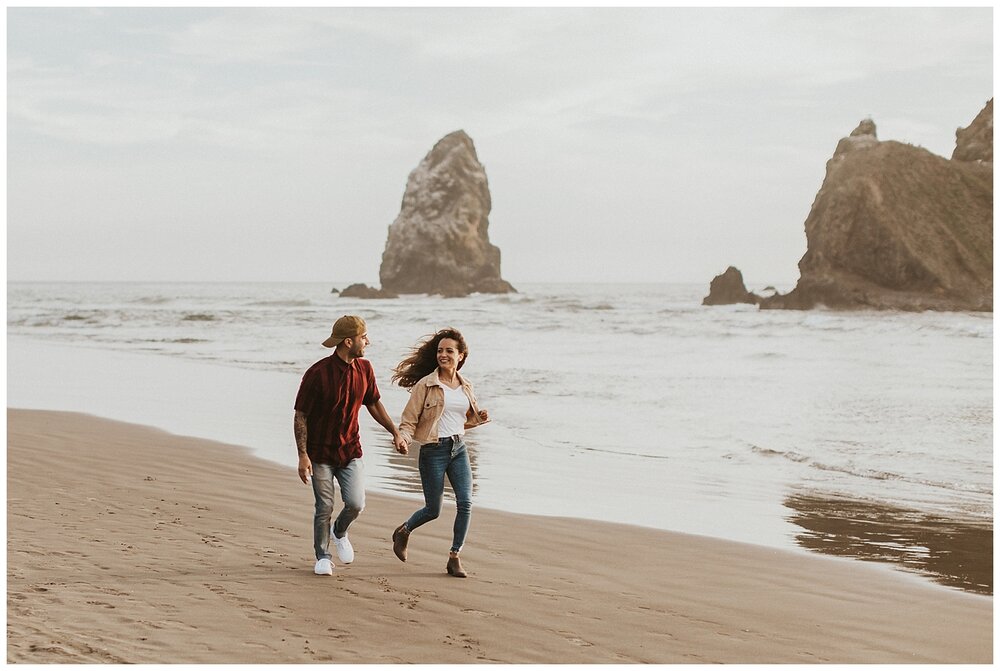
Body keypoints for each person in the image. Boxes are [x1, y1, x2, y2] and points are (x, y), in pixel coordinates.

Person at [294, 315, 408, 576]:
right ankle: (322, 556)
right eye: (363, 337)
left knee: (356, 503)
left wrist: (395, 432)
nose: (367, 341)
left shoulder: (365, 369)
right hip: (320, 452)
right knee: (324, 506)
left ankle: (340, 531)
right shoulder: (317, 373)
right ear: (349, 341)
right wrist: (303, 455)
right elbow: (301, 415)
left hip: (350, 451)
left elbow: (374, 403)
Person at [389, 328, 489, 578]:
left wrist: (479, 416)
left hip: (459, 449)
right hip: (433, 450)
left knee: (465, 502)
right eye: (440, 350)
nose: (443, 355)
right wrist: (404, 438)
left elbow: (464, 417)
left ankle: (454, 557)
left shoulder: (466, 386)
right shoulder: (426, 385)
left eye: (449, 351)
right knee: (433, 510)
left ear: (461, 356)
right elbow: (409, 420)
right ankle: (404, 531)